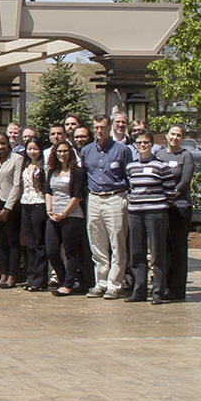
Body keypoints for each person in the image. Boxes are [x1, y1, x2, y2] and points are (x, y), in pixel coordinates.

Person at [80, 114, 133, 299]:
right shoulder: (86, 151)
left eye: (103, 127)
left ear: (109, 127)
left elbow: (129, 176)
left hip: (115, 198)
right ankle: (100, 282)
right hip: (94, 199)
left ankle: (115, 284)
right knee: (97, 243)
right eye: (96, 127)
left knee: (117, 243)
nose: (99, 130)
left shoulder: (122, 150)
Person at [125, 129, 172, 304]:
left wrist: (159, 205)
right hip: (135, 212)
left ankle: (158, 292)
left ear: (151, 144)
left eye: (146, 142)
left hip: (156, 212)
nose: (142, 145)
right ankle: (139, 290)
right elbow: (131, 188)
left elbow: (170, 191)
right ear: (135, 145)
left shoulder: (161, 166)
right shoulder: (131, 166)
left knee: (157, 252)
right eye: (139, 142)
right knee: (137, 252)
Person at [157, 124, 196, 302]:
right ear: (166, 135)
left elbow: (185, 180)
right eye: (172, 134)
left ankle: (177, 290)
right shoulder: (159, 154)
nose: (175, 137)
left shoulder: (186, 155)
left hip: (179, 207)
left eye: (178, 135)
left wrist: (170, 195)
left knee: (178, 249)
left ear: (182, 138)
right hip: (161, 207)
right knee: (164, 249)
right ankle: (164, 287)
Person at [46, 137, 89, 296]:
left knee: (70, 251)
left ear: (70, 153)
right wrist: (49, 210)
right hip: (53, 216)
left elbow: (77, 196)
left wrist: (64, 214)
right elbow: (48, 191)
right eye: (59, 151)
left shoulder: (77, 172)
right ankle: (64, 279)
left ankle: (69, 284)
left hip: (71, 215)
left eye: (65, 151)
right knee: (51, 251)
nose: (62, 154)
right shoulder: (53, 171)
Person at [0, 131, 25, 289]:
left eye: (3, 143)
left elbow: (17, 185)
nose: (0, 147)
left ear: (8, 143)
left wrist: (8, 208)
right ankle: (2, 274)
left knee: (12, 242)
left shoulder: (17, 159)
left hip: (10, 205)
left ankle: (12, 276)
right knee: (0, 242)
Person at [17, 137, 51, 292]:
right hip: (25, 204)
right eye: (29, 148)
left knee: (38, 243)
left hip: (39, 204)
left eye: (35, 149)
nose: (32, 151)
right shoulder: (25, 165)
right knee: (30, 244)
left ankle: (40, 280)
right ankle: (30, 278)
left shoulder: (43, 167)